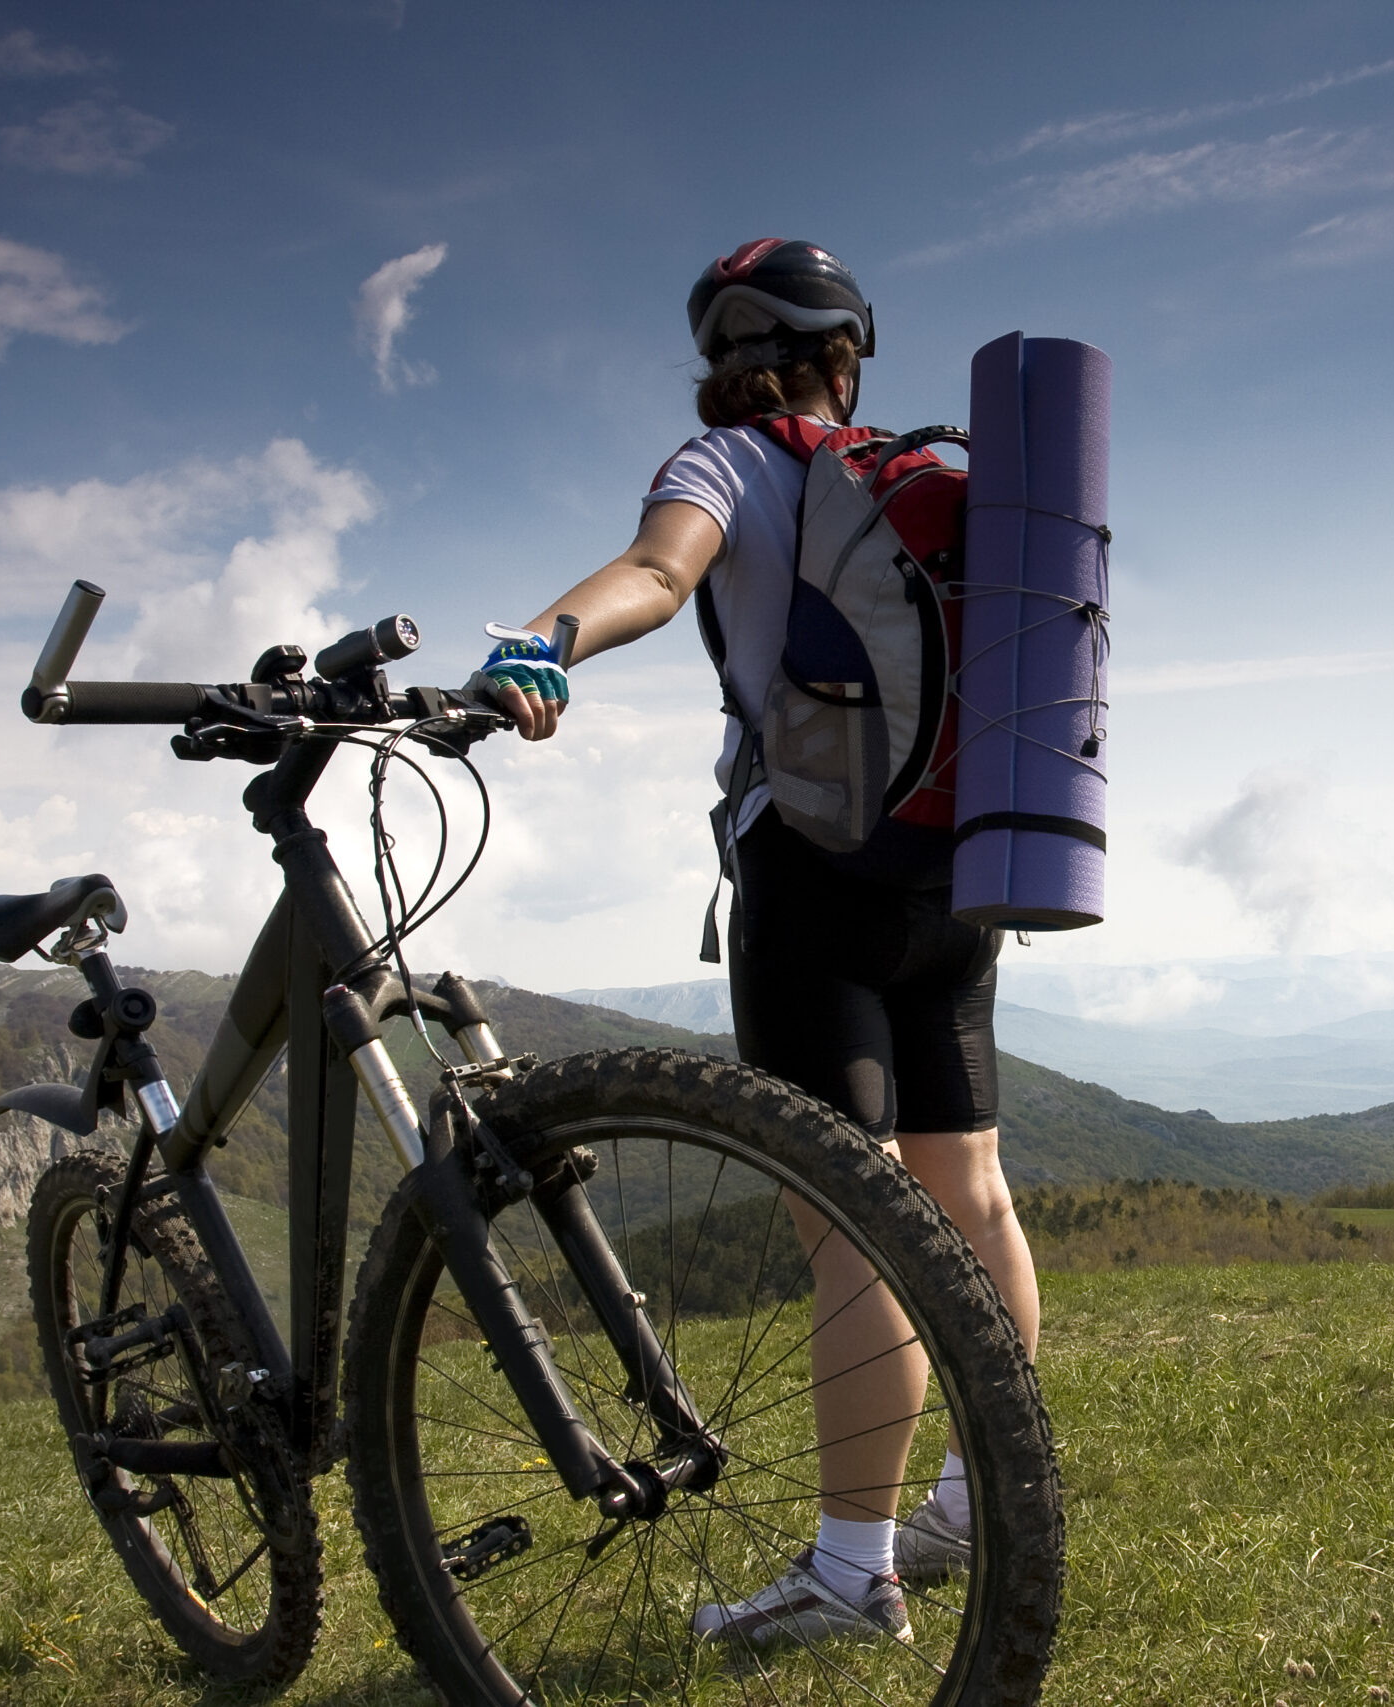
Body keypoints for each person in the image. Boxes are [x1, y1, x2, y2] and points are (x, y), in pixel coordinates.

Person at [482, 238, 1042, 1647]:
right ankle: (986, 1502)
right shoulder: (919, 484)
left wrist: (543, 643)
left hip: (812, 880)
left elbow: (658, 577)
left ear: (726, 359)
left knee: (852, 1228)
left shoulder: (725, 464)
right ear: (848, 353)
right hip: (953, 876)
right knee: (971, 1194)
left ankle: (854, 1574)